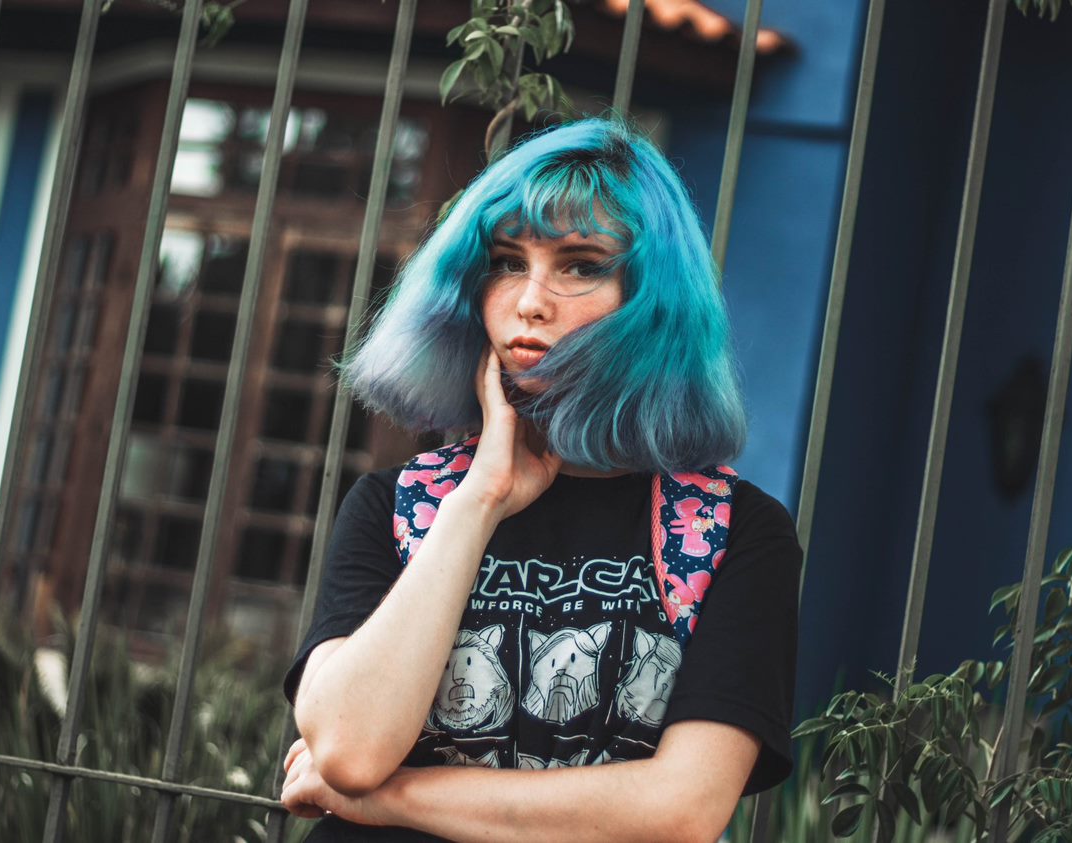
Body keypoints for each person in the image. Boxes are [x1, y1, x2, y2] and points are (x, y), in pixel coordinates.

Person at [279, 117, 802, 842]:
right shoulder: (398, 506)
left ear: (653, 301)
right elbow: (347, 748)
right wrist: (482, 497)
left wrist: (391, 800)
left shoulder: (732, 533)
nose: (529, 300)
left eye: (580, 264)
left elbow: (681, 809)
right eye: (505, 261)